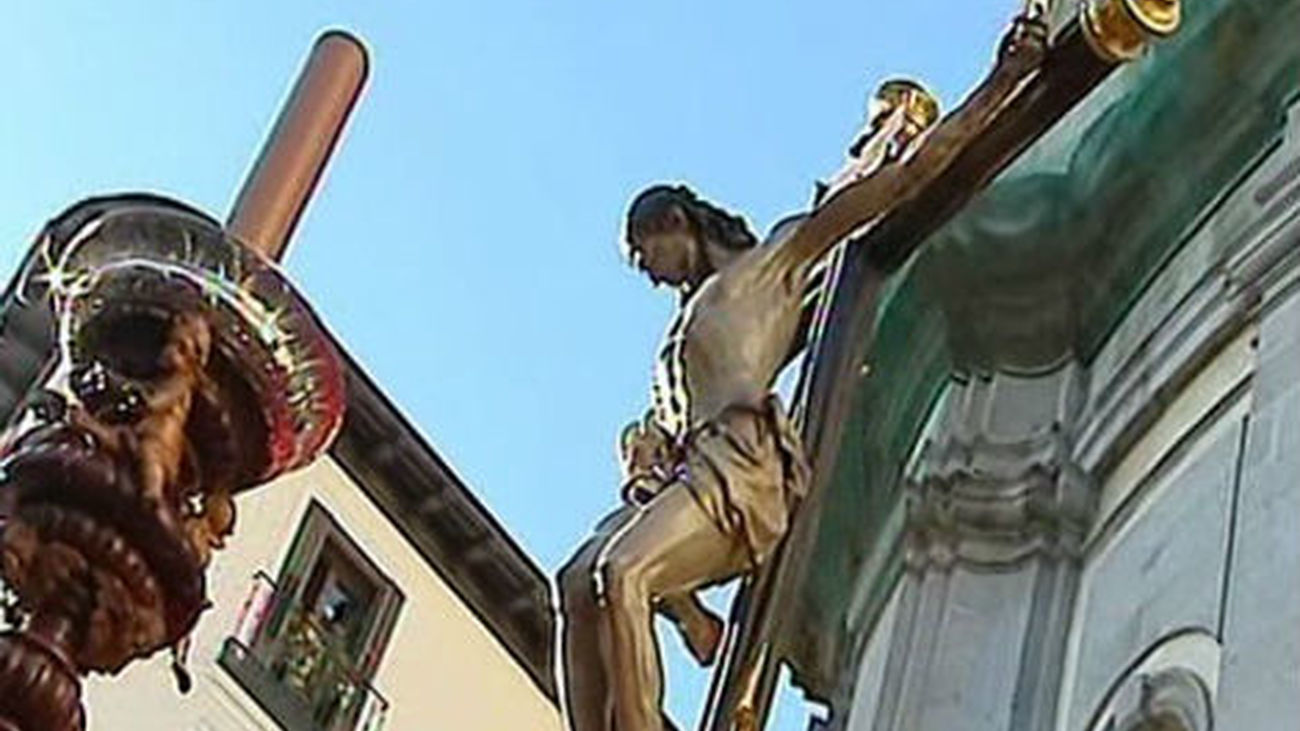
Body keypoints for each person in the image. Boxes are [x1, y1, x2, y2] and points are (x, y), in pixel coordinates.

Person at [555, 14, 1046, 730]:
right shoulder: (680, 333)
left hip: (741, 471)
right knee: (573, 581)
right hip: (689, 474)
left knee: (621, 574)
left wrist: (1001, 83)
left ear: (674, 223)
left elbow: (905, 178)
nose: (651, 274)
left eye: (646, 254)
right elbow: (655, 442)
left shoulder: (777, 262)